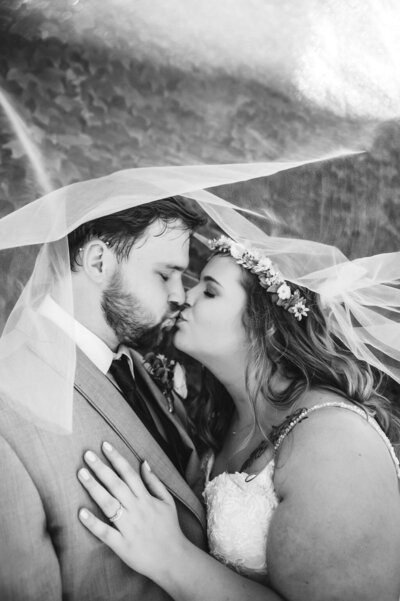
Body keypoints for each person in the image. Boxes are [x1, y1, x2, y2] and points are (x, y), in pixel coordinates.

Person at [77, 235, 400, 601]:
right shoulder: (221, 420)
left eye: (210, 291)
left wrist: (171, 557)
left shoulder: (335, 439)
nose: (185, 297)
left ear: (268, 325)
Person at [0, 195, 210, 599]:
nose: (180, 295)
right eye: (165, 274)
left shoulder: (135, 366)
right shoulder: (8, 405)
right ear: (98, 262)